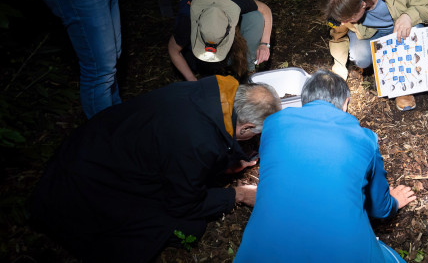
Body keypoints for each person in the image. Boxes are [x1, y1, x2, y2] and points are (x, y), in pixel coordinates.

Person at [29, 75, 281, 263]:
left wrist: (227, 163)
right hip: (86, 188)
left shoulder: (209, 93)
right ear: (246, 128)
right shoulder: (196, 142)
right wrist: (237, 194)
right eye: (255, 134)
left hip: (93, 145)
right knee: (188, 229)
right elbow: (184, 203)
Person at [235, 70, 417, 262]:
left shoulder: (272, 124)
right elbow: (378, 208)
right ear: (345, 103)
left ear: (304, 100)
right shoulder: (365, 139)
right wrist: (393, 202)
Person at [167, 0, 273, 80]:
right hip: (199, 58)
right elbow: (173, 50)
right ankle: (211, 70)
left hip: (231, 43)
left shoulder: (233, 1)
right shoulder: (187, 20)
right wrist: (192, 79)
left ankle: (248, 69)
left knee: (255, 17)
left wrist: (264, 44)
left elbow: (265, 9)